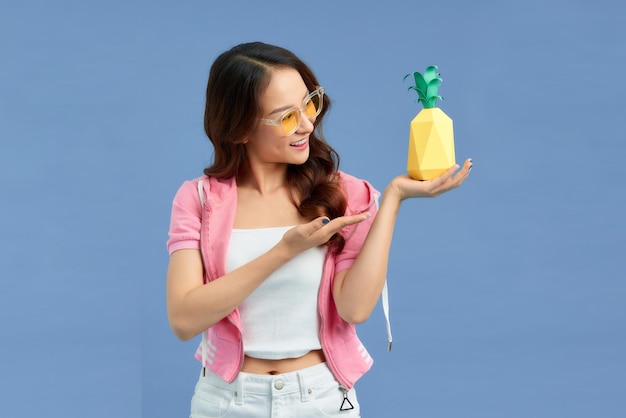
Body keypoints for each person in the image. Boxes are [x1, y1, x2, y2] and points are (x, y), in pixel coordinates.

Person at [166, 41, 472, 417]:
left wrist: (392, 198)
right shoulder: (197, 199)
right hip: (225, 402)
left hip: (321, 400)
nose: (309, 124)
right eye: (287, 117)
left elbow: (355, 308)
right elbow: (183, 320)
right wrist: (283, 251)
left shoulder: (345, 194)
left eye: (310, 103)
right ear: (240, 128)